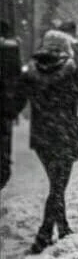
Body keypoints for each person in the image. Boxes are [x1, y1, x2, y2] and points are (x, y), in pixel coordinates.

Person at [17, 30, 78, 252]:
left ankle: (63, 227)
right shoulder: (70, 70)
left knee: (56, 182)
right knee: (58, 186)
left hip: (42, 136)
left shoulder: (31, 71)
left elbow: (16, 101)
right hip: (64, 133)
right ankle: (43, 234)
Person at [0, 21, 23, 191]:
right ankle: (3, 171)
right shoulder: (11, 50)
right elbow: (17, 80)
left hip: (6, 105)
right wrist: (15, 107)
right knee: (4, 140)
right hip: (5, 106)